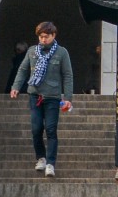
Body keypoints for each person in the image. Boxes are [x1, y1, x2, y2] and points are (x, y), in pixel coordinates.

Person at [9, 20, 75, 174]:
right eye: (41, 37)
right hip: (34, 94)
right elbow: (23, 70)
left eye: (46, 36)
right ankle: (41, 158)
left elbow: (67, 76)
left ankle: (51, 163)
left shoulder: (61, 52)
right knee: (36, 128)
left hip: (52, 96)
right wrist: (15, 87)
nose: (43, 39)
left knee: (51, 129)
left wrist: (68, 98)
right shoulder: (32, 51)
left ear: (53, 35)